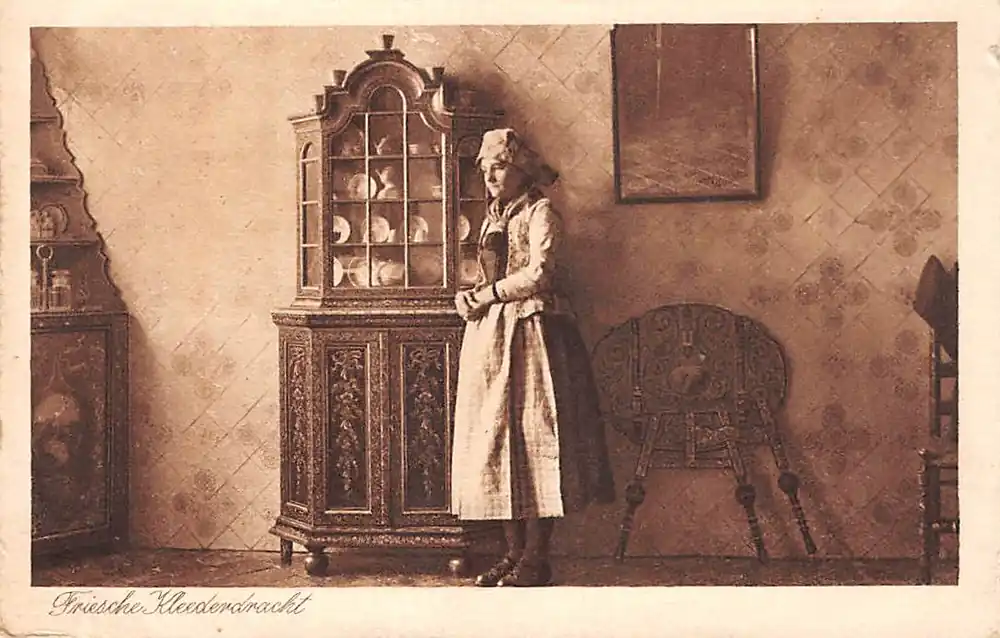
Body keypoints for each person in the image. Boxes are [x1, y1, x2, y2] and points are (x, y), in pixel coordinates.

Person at [451, 128, 616, 587]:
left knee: (533, 437)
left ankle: (536, 558)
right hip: (490, 337)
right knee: (496, 439)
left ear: (522, 170)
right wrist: (469, 297)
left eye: (500, 167)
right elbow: (488, 274)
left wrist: (488, 295)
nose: (490, 176)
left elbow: (539, 273)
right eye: (485, 169)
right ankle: (511, 553)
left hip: (533, 332)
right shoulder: (492, 217)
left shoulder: (542, 212)